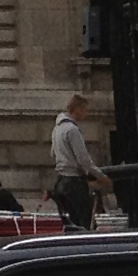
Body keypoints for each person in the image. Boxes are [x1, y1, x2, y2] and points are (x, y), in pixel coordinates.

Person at [50, 95, 106, 232]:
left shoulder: (57, 129)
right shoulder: (72, 130)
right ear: (78, 109)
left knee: (68, 225)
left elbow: (53, 153)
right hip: (74, 182)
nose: (86, 114)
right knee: (82, 223)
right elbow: (83, 159)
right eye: (85, 110)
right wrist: (100, 176)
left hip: (61, 182)